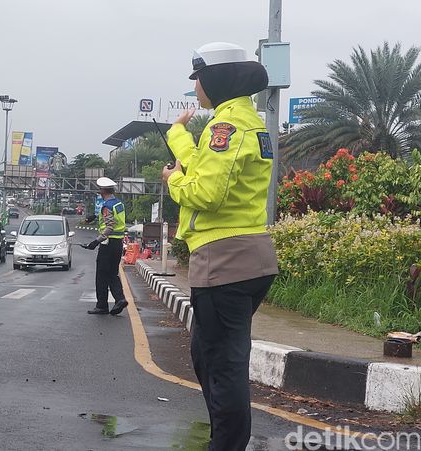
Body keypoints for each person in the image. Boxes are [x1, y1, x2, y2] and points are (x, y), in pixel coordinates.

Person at [161, 42, 279, 450]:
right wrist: (178, 135)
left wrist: (173, 182)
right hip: (248, 259)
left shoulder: (226, 128)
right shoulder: (241, 121)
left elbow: (205, 193)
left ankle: (226, 444)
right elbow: (211, 171)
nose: (195, 89)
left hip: (224, 261)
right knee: (205, 356)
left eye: (198, 80)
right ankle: (224, 438)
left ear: (216, 79)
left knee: (224, 366)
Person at [82, 177, 129, 315]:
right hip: (118, 244)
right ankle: (120, 299)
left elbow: (109, 226)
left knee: (102, 275)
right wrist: (95, 217)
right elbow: (114, 218)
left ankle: (102, 305)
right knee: (112, 273)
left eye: (100, 190)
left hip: (108, 244)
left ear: (103, 191)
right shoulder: (118, 204)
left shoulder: (106, 206)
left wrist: (95, 242)